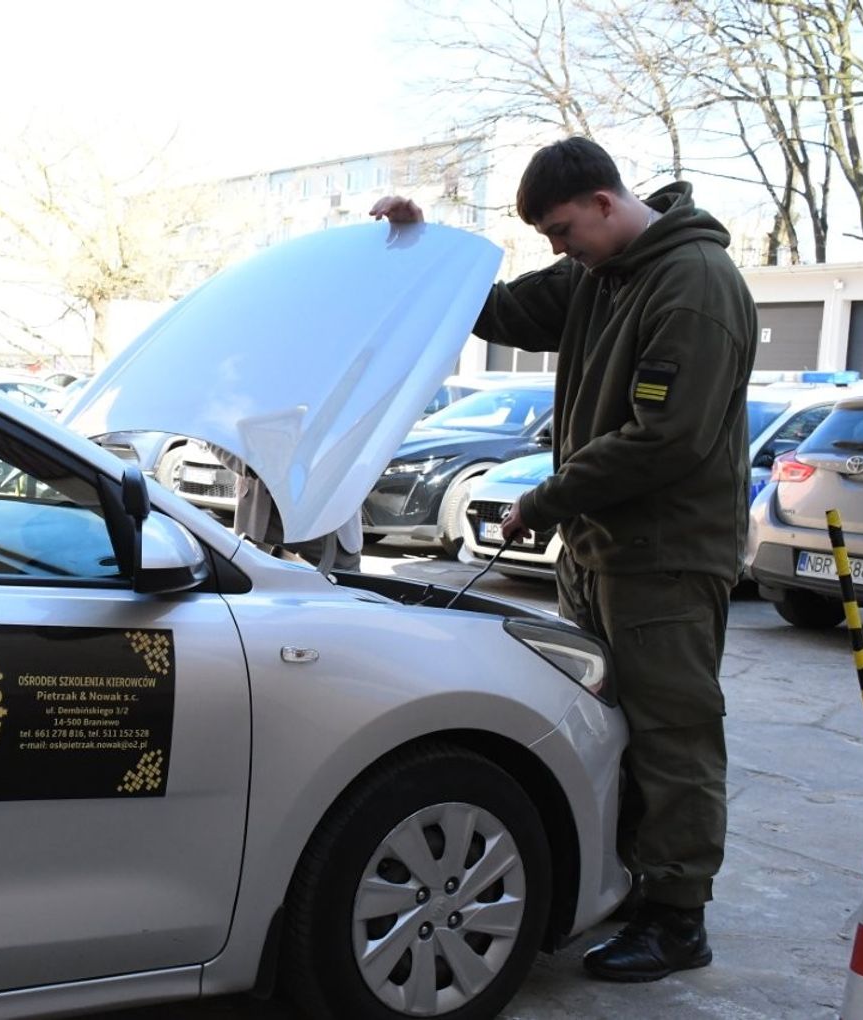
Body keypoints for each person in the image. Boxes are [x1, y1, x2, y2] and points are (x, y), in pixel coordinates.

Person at [372, 136, 757, 983]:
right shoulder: (601, 272)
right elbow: (499, 311)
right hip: (603, 551)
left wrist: (545, 500)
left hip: (665, 557)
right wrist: (422, 247)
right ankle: (630, 884)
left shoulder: (693, 285)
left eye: (561, 230)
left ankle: (677, 916)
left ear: (604, 203)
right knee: (609, 727)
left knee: (672, 734)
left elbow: (666, 438)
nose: (558, 248)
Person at [205, 443, 361, 573]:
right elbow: (213, 429)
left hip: (331, 517)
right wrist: (249, 464)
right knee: (259, 593)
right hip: (265, 516)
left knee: (346, 591)